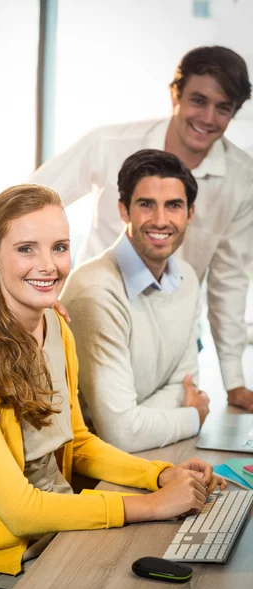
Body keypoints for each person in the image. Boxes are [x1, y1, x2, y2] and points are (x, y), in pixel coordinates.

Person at [0, 183, 225, 589]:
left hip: (61, 528)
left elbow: (77, 441)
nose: (49, 265)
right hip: (1, 561)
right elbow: (19, 511)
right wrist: (150, 504)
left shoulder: (55, 327)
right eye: (27, 248)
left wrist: (161, 475)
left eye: (59, 248)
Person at [31, 46, 253, 411]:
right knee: (98, 423)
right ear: (175, 95)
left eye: (223, 108)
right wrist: (44, 281)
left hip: (174, 331)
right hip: (98, 315)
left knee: (170, 432)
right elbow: (32, 204)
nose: (208, 117)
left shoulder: (242, 180)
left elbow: (229, 280)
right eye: (198, 100)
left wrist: (235, 380)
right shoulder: (108, 143)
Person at [61, 149, 209, 452]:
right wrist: (192, 417)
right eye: (146, 205)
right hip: (89, 472)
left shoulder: (188, 279)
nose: (160, 220)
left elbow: (185, 386)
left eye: (173, 206)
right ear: (123, 211)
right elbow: (120, 434)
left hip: (152, 452)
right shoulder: (96, 291)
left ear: (189, 214)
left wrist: (139, 418)